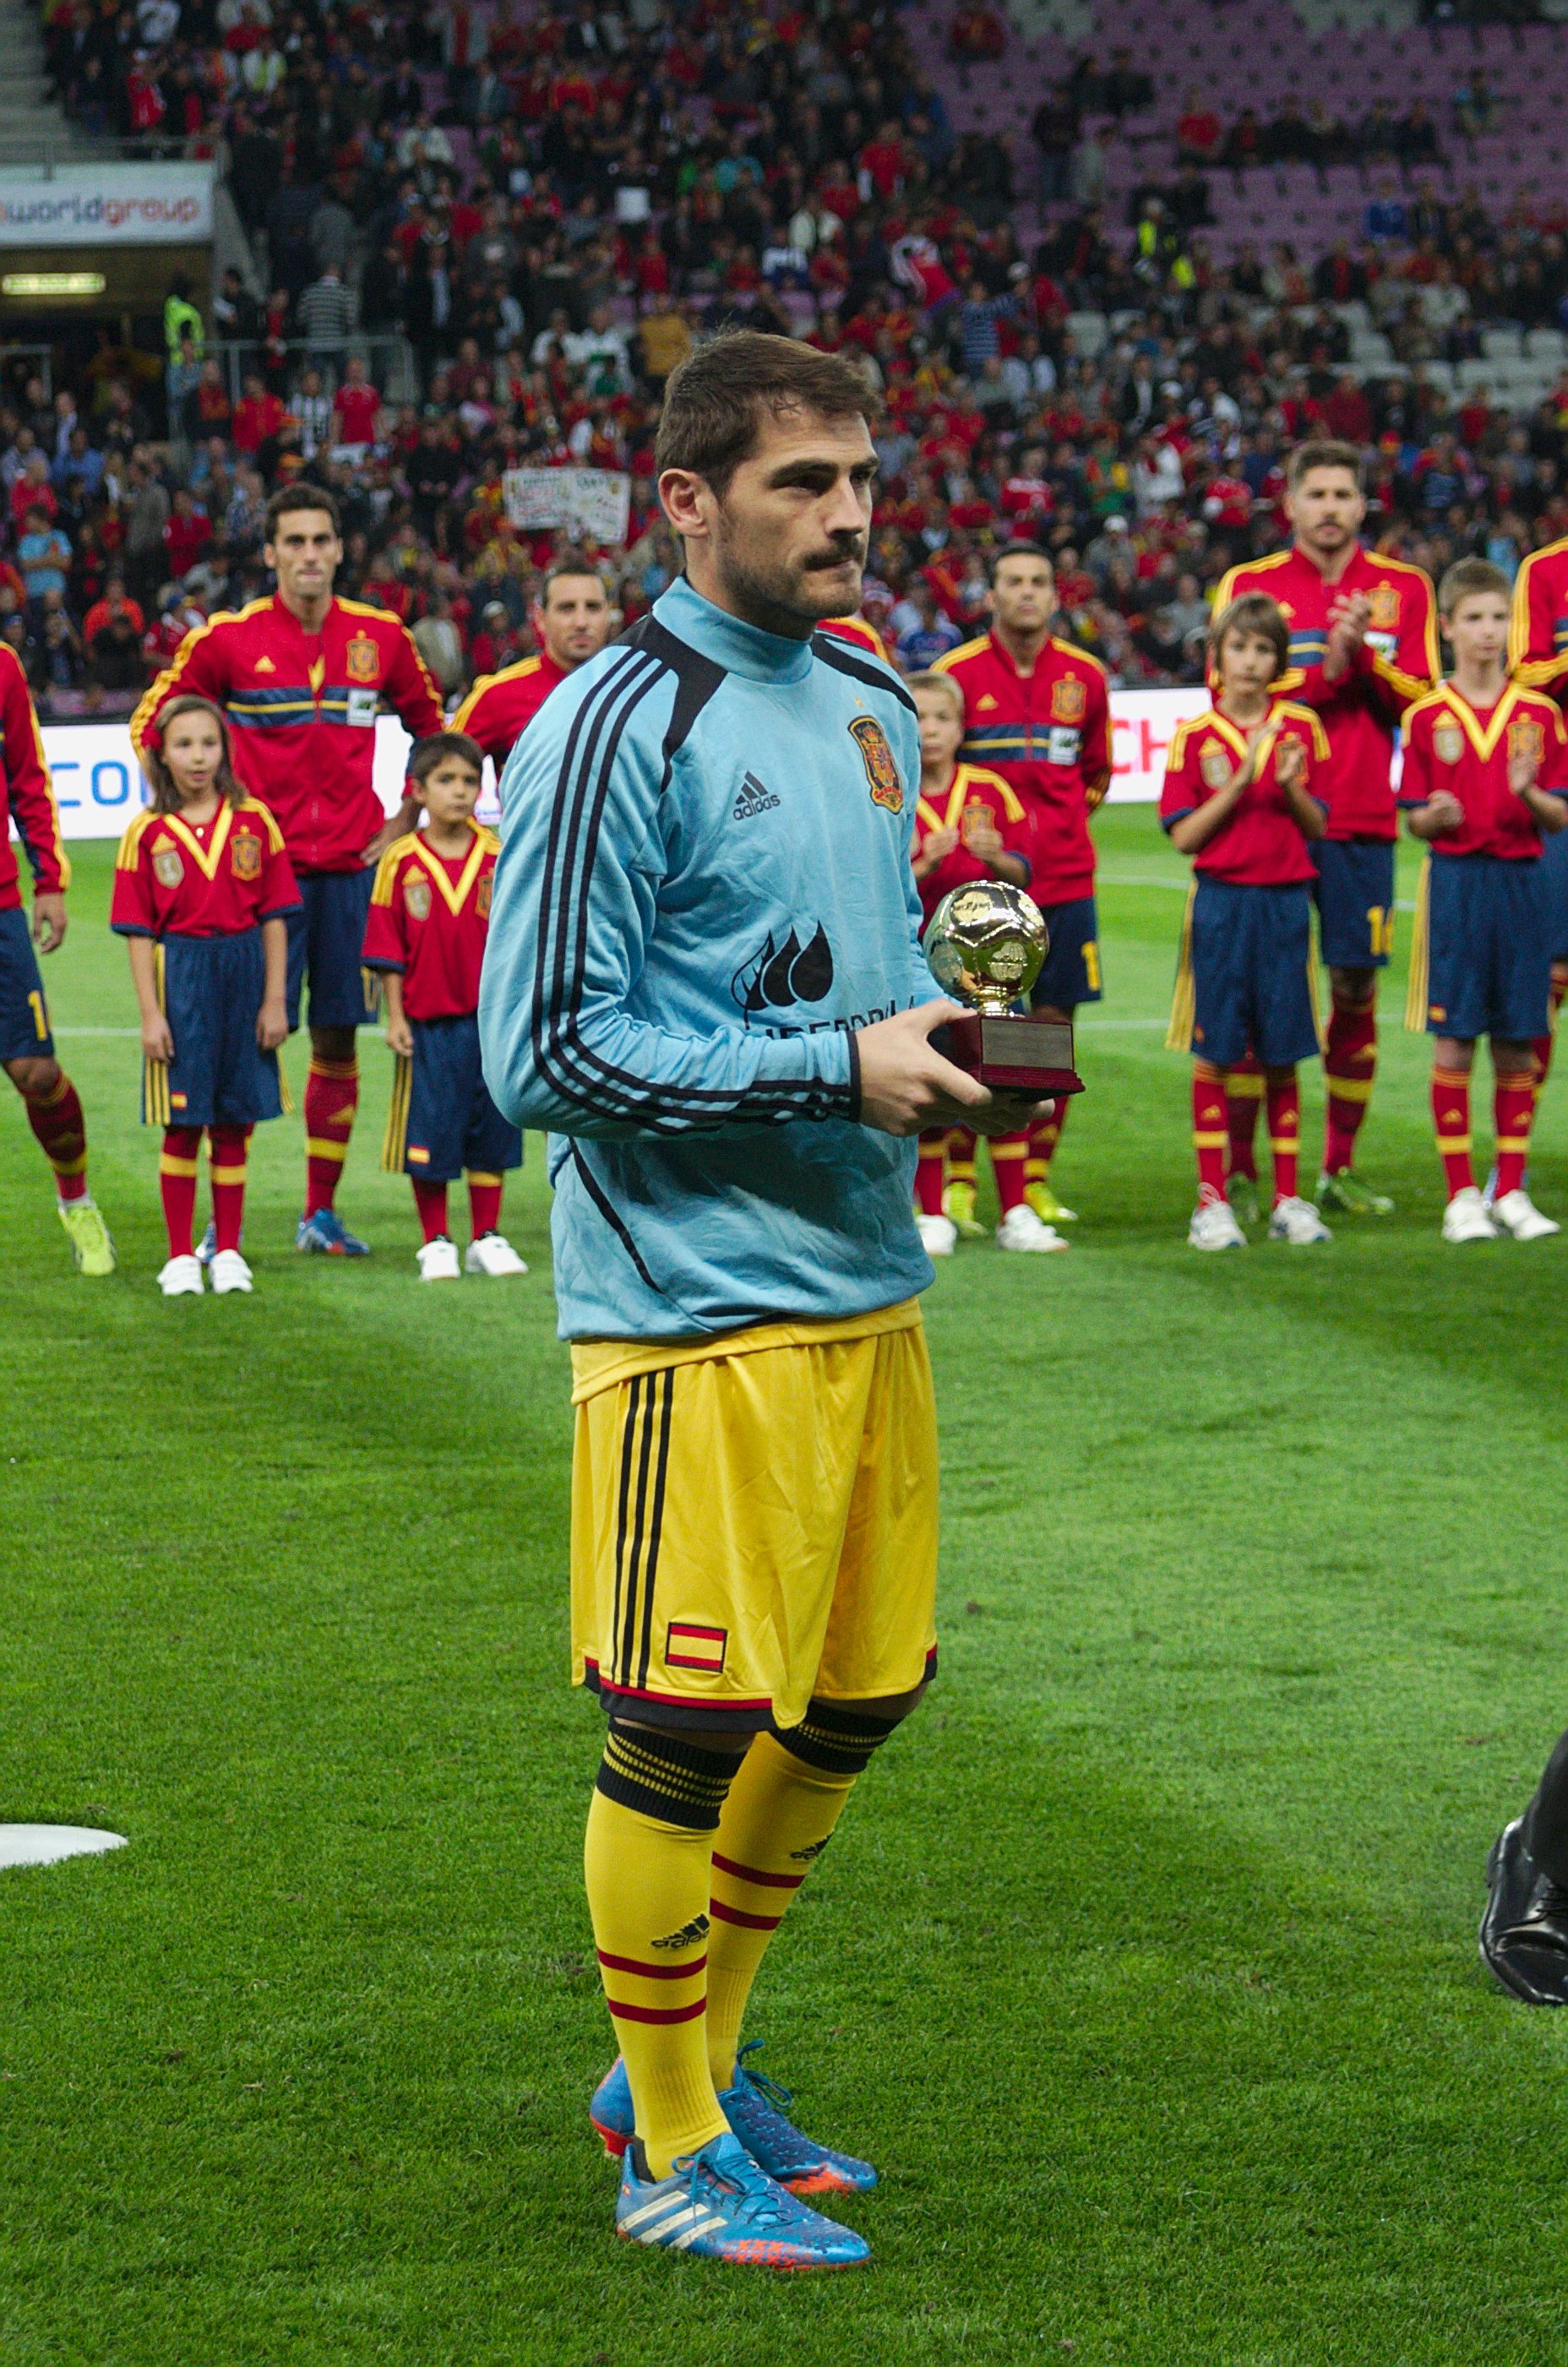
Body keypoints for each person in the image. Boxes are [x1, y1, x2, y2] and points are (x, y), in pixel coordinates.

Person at [480, 330, 1043, 2268]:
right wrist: (832, 1072)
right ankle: (668, 2147)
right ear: (689, 503)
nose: (852, 515)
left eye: (862, 477)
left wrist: (953, 1058)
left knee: (864, 1693)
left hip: (863, 1288)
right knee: (682, 1729)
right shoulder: (607, 724)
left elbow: (863, 972)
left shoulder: (876, 694)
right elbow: (540, 1054)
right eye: (804, 484)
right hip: (686, 1313)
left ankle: (682, 2069)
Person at [131, 484, 444, 1257]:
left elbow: (436, 731)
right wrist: (184, 815)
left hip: (348, 871)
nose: (310, 555)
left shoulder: (382, 638)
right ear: (269, 553)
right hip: (252, 886)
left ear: (341, 549)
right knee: (236, 1042)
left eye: (322, 541)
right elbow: (151, 725)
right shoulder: (226, 642)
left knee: (337, 1042)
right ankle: (218, 1225)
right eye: (294, 542)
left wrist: (406, 815)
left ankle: (318, 1213)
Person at [1214, 442, 1438, 1218]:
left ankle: (1337, 1168)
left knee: (1352, 988)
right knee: (1251, 995)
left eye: (1346, 493)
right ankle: (1242, 1171)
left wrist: (1365, 666)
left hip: (1362, 820)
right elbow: (1227, 689)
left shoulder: (1404, 588)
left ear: (1363, 504)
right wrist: (1328, 669)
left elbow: (1424, 703)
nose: (1332, 507)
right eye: (1319, 493)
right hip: (1266, 817)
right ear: (1293, 505)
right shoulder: (1252, 587)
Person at [932, 541, 1111, 1232]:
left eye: (1039, 581)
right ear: (993, 594)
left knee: (1052, 1031)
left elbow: (1096, 772)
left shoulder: (1086, 677)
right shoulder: (957, 674)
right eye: (1014, 582)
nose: (1027, 593)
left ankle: (1034, 1179)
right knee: (964, 1031)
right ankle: (958, 1183)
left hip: (1063, 879)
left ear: (1055, 595)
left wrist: (1047, 836)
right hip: (979, 893)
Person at [1398, 560, 1567, 1244]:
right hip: (1460, 885)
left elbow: (1558, 816)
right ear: (1448, 627)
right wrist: (1432, 818)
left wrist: (1529, 793)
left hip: (1525, 886)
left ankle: (1514, 1191)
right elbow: (1412, 815)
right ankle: (1461, 1193)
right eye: (1474, 618)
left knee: (1519, 1042)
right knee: (1457, 1037)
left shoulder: (1541, 714)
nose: (1488, 632)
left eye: (1499, 617)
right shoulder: (1426, 718)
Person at [111, 694, 300, 1297]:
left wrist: (275, 1000)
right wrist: (150, 1014)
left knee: (234, 1121)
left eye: (209, 744)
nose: (198, 757)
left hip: (244, 972)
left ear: (225, 750)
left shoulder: (254, 821)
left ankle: (228, 1250)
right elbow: (138, 933)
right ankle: (178, 1255)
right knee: (183, 1122)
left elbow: (275, 918)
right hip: (183, 974)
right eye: (184, 745)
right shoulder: (146, 832)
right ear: (161, 755)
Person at [1159, 595, 1332, 1251]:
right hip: (1222, 905)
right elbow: (1184, 838)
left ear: (1278, 661)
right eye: (1240, 647)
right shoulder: (1195, 737)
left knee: (1284, 1049)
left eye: (1264, 650)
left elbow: (1321, 826)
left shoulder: (1302, 729)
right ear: (1218, 657)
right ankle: (1213, 1199)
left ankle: (1289, 1197)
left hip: (1287, 903)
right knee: (1217, 1050)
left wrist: (1287, 785)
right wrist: (1240, 779)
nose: (1251, 661)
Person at [362, 732, 527, 1282]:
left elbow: (519, 940)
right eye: (446, 781)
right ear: (418, 790)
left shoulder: (499, 856)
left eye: (469, 781)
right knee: (431, 1127)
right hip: (428, 1023)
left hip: (492, 1023)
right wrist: (396, 1017)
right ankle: (435, 1239)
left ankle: (486, 1234)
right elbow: (386, 946)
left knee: (492, 1126)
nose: (459, 792)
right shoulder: (400, 861)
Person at [907, 668, 1061, 1254]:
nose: (930, 730)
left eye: (942, 718)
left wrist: (997, 859)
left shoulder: (990, 790)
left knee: (1012, 1084)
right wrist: (923, 865)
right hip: (922, 969)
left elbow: (1027, 875)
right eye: (919, 718)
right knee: (930, 1088)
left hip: (996, 970)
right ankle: (932, 1212)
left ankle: (1016, 1211)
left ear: (961, 727)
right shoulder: (892, 793)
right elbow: (873, 880)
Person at [0, 641, 115, 1273]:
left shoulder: (4, 667)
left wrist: (48, 881)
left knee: (37, 1073)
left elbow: (28, 778)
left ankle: (77, 1202)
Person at [1505, 529, 1568, 1108]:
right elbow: (1525, 673)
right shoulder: (1546, 572)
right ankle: (1511, 1160)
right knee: (1551, 968)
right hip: (1562, 791)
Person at [450, 557, 614, 768]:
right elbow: (440, 770)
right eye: (566, 608)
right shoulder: (498, 694)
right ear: (540, 618)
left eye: (592, 608)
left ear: (608, 614)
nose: (581, 622)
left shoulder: (641, 691)